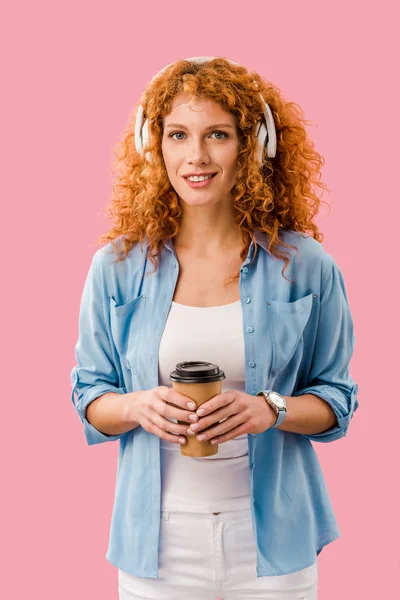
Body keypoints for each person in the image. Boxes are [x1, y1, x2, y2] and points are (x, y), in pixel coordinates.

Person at [70, 56, 359, 600]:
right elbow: (89, 395)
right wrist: (136, 406)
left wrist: (268, 408)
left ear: (254, 146)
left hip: (273, 547)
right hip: (158, 546)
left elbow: (336, 400)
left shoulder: (305, 264)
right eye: (178, 134)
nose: (196, 156)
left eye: (217, 135)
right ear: (152, 144)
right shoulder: (116, 267)